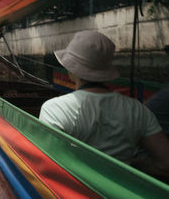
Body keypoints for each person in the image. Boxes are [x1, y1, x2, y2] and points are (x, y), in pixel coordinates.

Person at [39, 31, 169, 177]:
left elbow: (47, 167)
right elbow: (165, 164)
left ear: (71, 70)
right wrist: (133, 165)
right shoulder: (138, 110)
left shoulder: (54, 109)